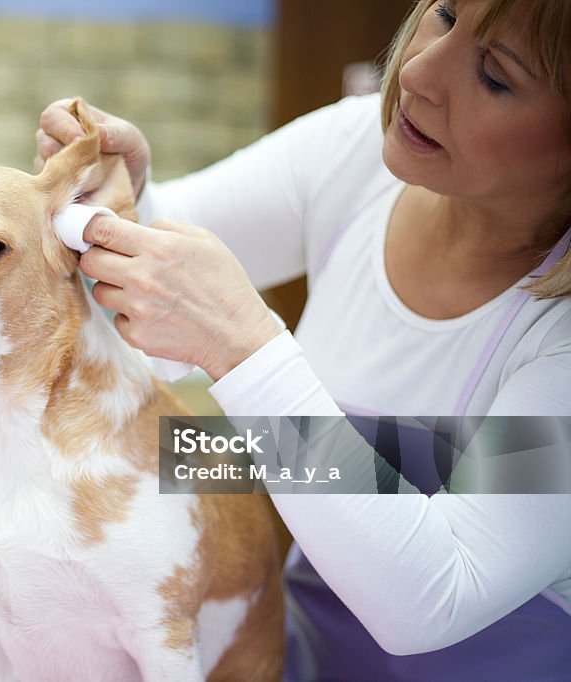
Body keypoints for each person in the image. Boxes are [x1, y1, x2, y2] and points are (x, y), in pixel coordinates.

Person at [35, 0, 571, 679]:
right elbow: (284, 453)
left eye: (495, 75)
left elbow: (431, 598)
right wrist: (124, 204)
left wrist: (243, 351)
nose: (418, 71)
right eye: (442, 15)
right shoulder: (357, 154)